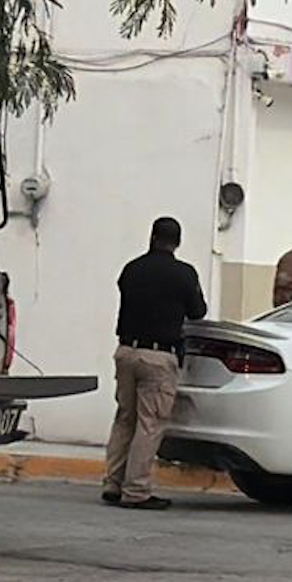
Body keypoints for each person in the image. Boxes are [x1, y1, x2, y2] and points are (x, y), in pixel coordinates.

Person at [102, 217, 207, 510]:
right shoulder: (184, 274)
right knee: (150, 423)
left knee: (125, 418)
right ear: (177, 242)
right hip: (159, 357)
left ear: (151, 237)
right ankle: (136, 490)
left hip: (126, 352)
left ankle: (113, 483)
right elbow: (198, 312)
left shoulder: (132, 269)